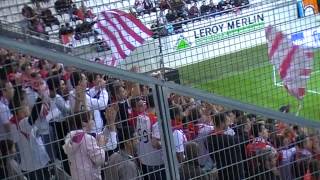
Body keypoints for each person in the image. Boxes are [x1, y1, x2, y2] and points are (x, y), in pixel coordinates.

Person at [63, 111, 106, 180]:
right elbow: (100, 159)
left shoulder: (70, 137)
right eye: (91, 119)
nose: (93, 122)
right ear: (84, 123)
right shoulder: (88, 139)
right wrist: (101, 145)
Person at [206, 113, 245, 180]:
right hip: (235, 174)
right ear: (221, 123)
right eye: (227, 121)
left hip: (222, 173)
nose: (229, 124)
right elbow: (244, 138)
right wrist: (233, 125)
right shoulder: (228, 139)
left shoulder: (209, 139)